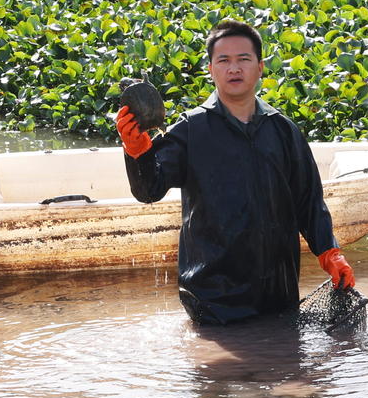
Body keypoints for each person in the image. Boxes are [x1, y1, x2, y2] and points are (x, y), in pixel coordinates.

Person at [115, 19, 355, 325]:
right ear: (211, 69)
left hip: (276, 293)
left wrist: (329, 252)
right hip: (212, 300)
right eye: (224, 61)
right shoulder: (191, 130)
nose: (234, 69)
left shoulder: (282, 130)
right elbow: (150, 189)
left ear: (260, 67)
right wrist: (138, 151)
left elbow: (308, 202)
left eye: (244, 59)